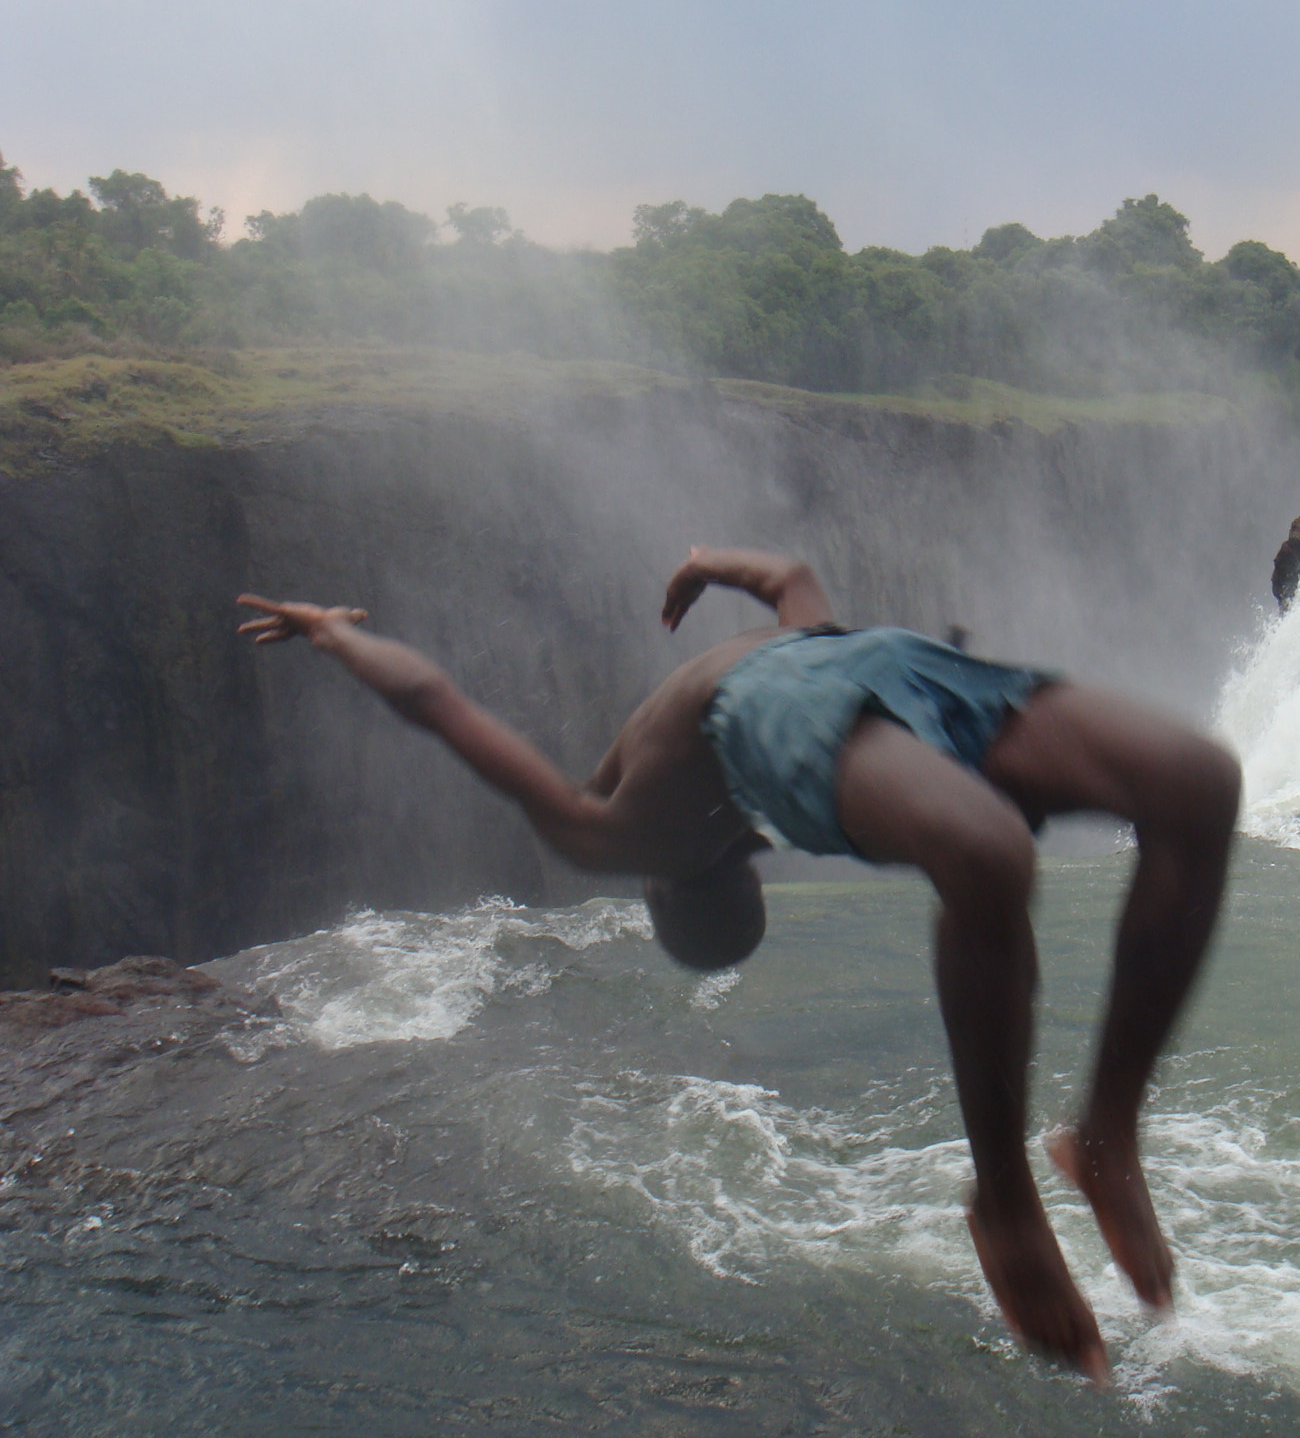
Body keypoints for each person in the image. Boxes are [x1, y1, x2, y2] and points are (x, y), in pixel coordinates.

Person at [237, 547, 1239, 1382]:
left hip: (810, 687)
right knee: (1122, 804)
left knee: (1144, 800)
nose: (742, 863)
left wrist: (333, 634)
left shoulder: (604, 836)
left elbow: (439, 704)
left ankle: (1072, 1153)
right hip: (875, 669)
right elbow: (789, 577)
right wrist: (706, 565)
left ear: (667, 892)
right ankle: (1032, 1177)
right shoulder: (756, 795)